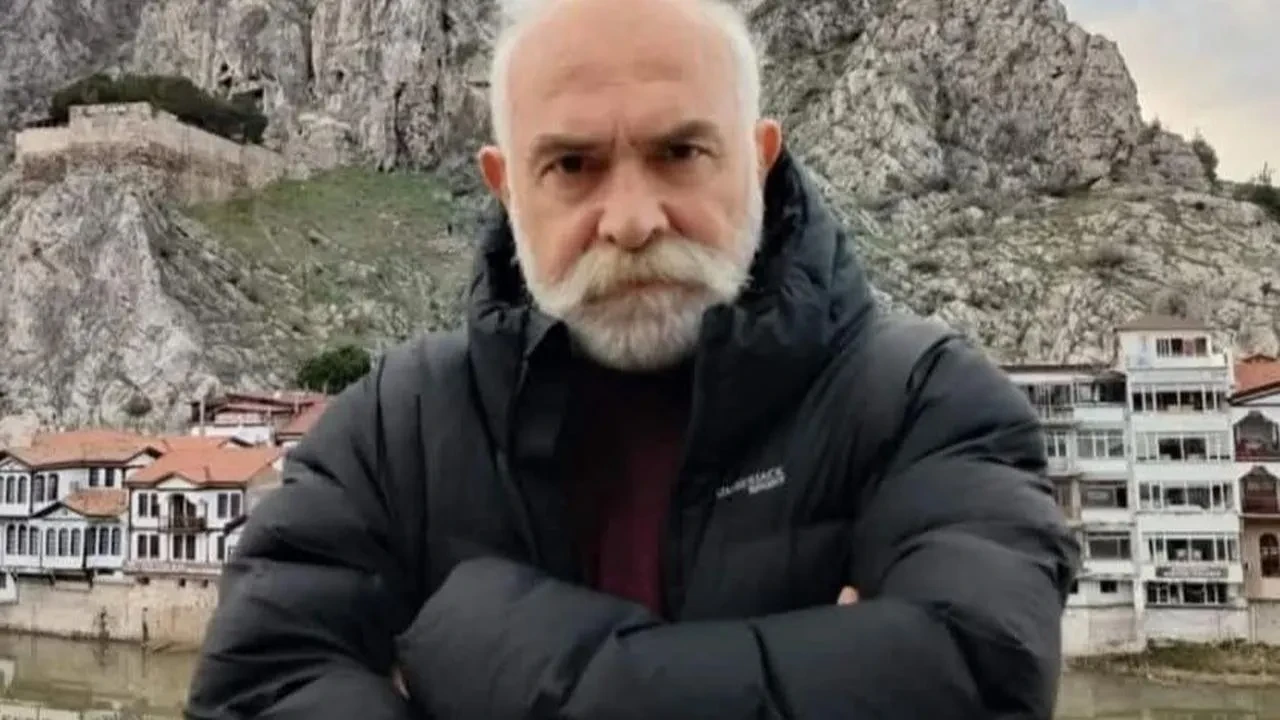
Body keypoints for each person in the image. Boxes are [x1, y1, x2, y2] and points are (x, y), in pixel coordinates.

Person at [185, 0, 1079, 717]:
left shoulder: (926, 402)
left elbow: (978, 676)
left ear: (758, 161)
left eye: (679, 152)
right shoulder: (394, 429)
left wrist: (480, 653)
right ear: (505, 186)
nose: (632, 221)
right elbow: (260, 685)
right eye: (573, 166)